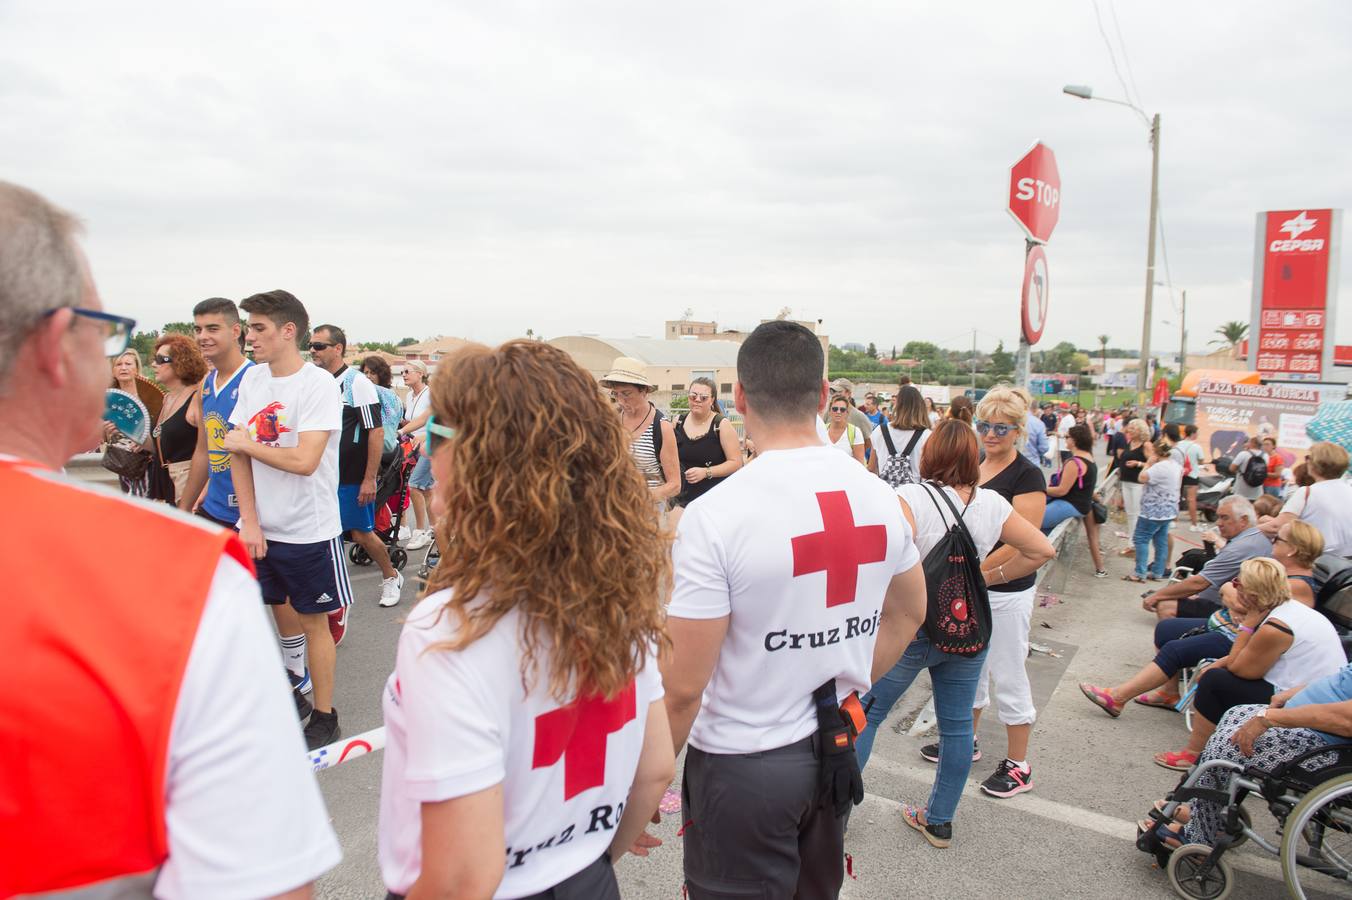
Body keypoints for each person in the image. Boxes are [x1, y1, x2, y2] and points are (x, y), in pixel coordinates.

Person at [0, 179, 338, 896]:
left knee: (308, 625)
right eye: (109, 330)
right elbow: (267, 883)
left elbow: (262, 452)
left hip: (285, 524)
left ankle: (322, 703)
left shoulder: (302, 387)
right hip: (220, 527)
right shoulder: (171, 577)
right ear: (59, 346)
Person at [378, 340, 673, 900]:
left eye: (443, 435)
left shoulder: (453, 625)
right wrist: (592, 860)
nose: (432, 454)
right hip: (587, 877)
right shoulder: (618, 587)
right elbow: (656, 767)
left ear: (483, 463)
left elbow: (463, 877)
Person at [658, 321, 928, 895]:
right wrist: (837, 683)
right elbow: (908, 614)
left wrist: (645, 783)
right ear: (826, 395)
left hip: (742, 764)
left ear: (739, 397)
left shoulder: (717, 514)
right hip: (835, 749)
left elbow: (683, 687)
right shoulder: (882, 499)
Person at [857, 420, 1055, 844]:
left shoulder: (910, 497)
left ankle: (835, 813)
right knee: (958, 727)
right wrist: (987, 577)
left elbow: (883, 554)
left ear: (930, 455)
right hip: (967, 627)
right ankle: (939, 819)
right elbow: (1042, 549)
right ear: (972, 457)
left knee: (867, 712)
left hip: (913, 626)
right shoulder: (994, 505)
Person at [225, 289, 347, 749]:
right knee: (269, 615)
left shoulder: (317, 385)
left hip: (308, 528)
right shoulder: (254, 380)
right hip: (261, 528)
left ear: (288, 331)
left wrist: (248, 445)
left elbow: (305, 460)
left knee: (315, 621)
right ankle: (290, 695)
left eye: (258, 328)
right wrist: (250, 521)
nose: (250, 336)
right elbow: (236, 454)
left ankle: (324, 713)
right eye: (249, 327)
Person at [1149, 557, 1344, 771]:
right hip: (1313, 691)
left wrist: (1247, 625)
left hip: (1300, 700)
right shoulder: (1289, 609)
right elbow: (1244, 660)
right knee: (1215, 672)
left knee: (1215, 682)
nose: (1234, 586)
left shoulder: (1277, 626)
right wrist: (1220, 662)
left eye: (1237, 583)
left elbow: (1241, 669)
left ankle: (1195, 754)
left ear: (1251, 594)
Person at [1144, 665, 1352, 850]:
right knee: (1236, 714)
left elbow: (1347, 720)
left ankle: (1198, 835)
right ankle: (1202, 810)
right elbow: (1341, 679)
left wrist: (1270, 719)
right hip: (1311, 725)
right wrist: (1294, 693)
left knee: (1229, 747)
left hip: (1330, 750)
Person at [957, 388, 1050, 798]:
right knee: (970, 671)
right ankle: (967, 742)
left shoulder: (1028, 476)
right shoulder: (975, 463)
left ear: (1017, 431)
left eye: (1000, 428)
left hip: (1007, 589)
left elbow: (1023, 540)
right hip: (974, 585)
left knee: (1009, 672)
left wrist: (980, 573)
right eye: (984, 426)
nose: (990, 434)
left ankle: (1019, 764)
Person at [311, 325, 404, 608]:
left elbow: (374, 431)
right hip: (321, 474)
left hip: (350, 476)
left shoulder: (356, 383)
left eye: (319, 346)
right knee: (323, 533)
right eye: (311, 345)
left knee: (361, 533)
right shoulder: (315, 381)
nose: (312, 350)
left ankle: (390, 575)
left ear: (337, 349)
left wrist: (369, 479)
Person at [1079, 578, 1249, 718]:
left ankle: (1117, 697)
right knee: (1166, 629)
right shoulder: (1263, 563)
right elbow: (1227, 586)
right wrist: (1233, 600)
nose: (1274, 542)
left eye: (1277, 540)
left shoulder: (1268, 571)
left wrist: (1234, 600)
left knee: (1174, 649)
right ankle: (1169, 693)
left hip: (1236, 638)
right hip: (1219, 623)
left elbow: (1242, 604)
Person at [178, 297, 252, 527]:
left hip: (248, 516)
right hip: (214, 508)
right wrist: (183, 510)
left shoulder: (255, 379)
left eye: (212, 328)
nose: (202, 336)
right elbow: (203, 451)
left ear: (235, 331)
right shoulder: (206, 385)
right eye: (198, 329)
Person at [1144, 496, 1272, 619]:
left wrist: (1157, 596)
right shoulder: (1254, 537)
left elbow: (1199, 583)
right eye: (1218, 517)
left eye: (1224, 518)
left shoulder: (1242, 547)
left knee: (1165, 606)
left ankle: (1181, 640)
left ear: (1244, 520)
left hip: (1231, 609)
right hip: (1233, 603)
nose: (1219, 523)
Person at [600, 356, 680, 513]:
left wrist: (639, 498)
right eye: (616, 394)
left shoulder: (661, 427)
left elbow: (675, 485)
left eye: (627, 393)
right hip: (614, 512)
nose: (621, 400)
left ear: (644, 391)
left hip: (648, 515)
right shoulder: (612, 422)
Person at [1261, 441, 1352, 557]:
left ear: (1315, 464)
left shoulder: (1307, 493)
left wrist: (1250, 531)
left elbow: (1275, 527)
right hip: (1346, 564)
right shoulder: (1348, 490)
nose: (1307, 461)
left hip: (1318, 561)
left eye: (1308, 457)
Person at [144, 333, 205, 505]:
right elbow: (160, 447)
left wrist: (203, 492)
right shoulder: (167, 398)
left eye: (160, 359)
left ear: (181, 361)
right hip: (164, 483)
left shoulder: (196, 398)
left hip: (188, 486)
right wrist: (126, 429)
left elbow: (212, 450)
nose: (153, 364)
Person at [1041, 424, 1107, 577]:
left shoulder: (1074, 462)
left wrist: (1039, 488)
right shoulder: (1090, 458)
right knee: (1043, 530)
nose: (1065, 440)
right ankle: (1100, 569)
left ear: (1075, 440)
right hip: (1084, 506)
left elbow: (1062, 490)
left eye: (1067, 437)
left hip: (1070, 505)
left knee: (1033, 521)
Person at [673, 376, 741, 511]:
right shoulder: (678, 422)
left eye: (703, 397)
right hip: (682, 500)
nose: (697, 400)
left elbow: (736, 463)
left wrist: (706, 472)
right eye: (693, 396)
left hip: (713, 500)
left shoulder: (721, 425)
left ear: (712, 400)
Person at [103, 348, 161, 496]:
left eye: (128, 364)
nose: (123, 368)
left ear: (136, 368)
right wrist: (107, 432)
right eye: (118, 364)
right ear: (113, 370)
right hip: (122, 460)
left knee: (146, 502)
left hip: (147, 460)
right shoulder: (108, 398)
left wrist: (145, 441)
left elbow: (161, 426)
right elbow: (101, 435)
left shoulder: (149, 395)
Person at [1125, 438, 1182, 583]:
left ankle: (1140, 572)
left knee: (1141, 538)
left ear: (1156, 453)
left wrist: (1148, 464)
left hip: (1153, 509)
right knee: (1160, 540)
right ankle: (1158, 571)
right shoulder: (1175, 465)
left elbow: (1142, 477)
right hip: (1169, 509)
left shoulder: (1158, 467)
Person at [398, 359, 435, 550]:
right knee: (427, 490)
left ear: (421, 373)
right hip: (414, 445)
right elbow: (412, 420)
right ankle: (436, 529)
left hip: (430, 444)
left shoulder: (431, 395)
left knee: (414, 485)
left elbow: (428, 420)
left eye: (407, 371)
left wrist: (420, 434)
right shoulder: (409, 396)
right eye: (402, 372)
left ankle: (419, 530)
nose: (403, 374)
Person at [868, 384, 930, 484]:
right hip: (914, 495)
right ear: (920, 406)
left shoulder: (880, 431)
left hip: (886, 493)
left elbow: (871, 468)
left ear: (897, 405)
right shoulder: (927, 436)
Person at [1116, 418, 1150, 553]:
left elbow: (1153, 462)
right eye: (1129, 428)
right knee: (1130, 513)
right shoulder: (1129, 442)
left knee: (1136, 513)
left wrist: (1139, 464)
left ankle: (1135, 544)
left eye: (1133, 428)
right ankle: (1131, 542)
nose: (1129, 430)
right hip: (1126, 480)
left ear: (1140, 431)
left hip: (1138, 483)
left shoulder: (1146, 445)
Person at [361, 355, 404, 456]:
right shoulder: (366, 394)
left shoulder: (388, 395)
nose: (368, 376)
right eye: (366, 373)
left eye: (372, 373)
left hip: (384, 450)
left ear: (381, 374)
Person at [1176, 424, 1207, 532]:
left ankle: (1173, 521)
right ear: (1193, 433)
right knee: (1191, 500)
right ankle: (1194, 524)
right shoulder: (1196, 446)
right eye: (1197, 433)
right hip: (1192, 474)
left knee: (1176, 497)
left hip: (1179, 474)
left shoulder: (1178, 444)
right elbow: (1201, 460)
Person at [824, 394, 866, 464]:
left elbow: (860, 464)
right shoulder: (822, 429)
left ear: (847, 413)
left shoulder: (855, 432)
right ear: (829, 411)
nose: (838, 412)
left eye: (842, 410)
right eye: (835, 409)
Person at [1229, 435, 1268, 503]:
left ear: (1252, 443)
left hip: (1241, 490)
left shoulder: (1243, 454)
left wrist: (1240, 471)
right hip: (1257, 492)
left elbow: (1231, 468)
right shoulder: (1266, 456)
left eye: (1248, 442)